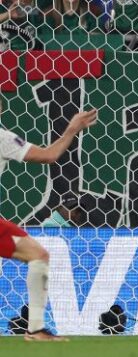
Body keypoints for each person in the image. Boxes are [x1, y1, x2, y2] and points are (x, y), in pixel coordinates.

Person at [0, 106, 97, 341]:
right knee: (38, 255)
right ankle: (35, 329)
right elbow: (49, 155)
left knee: (38, 255)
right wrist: (72, 129)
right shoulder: (2, 138)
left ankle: (35, 329)